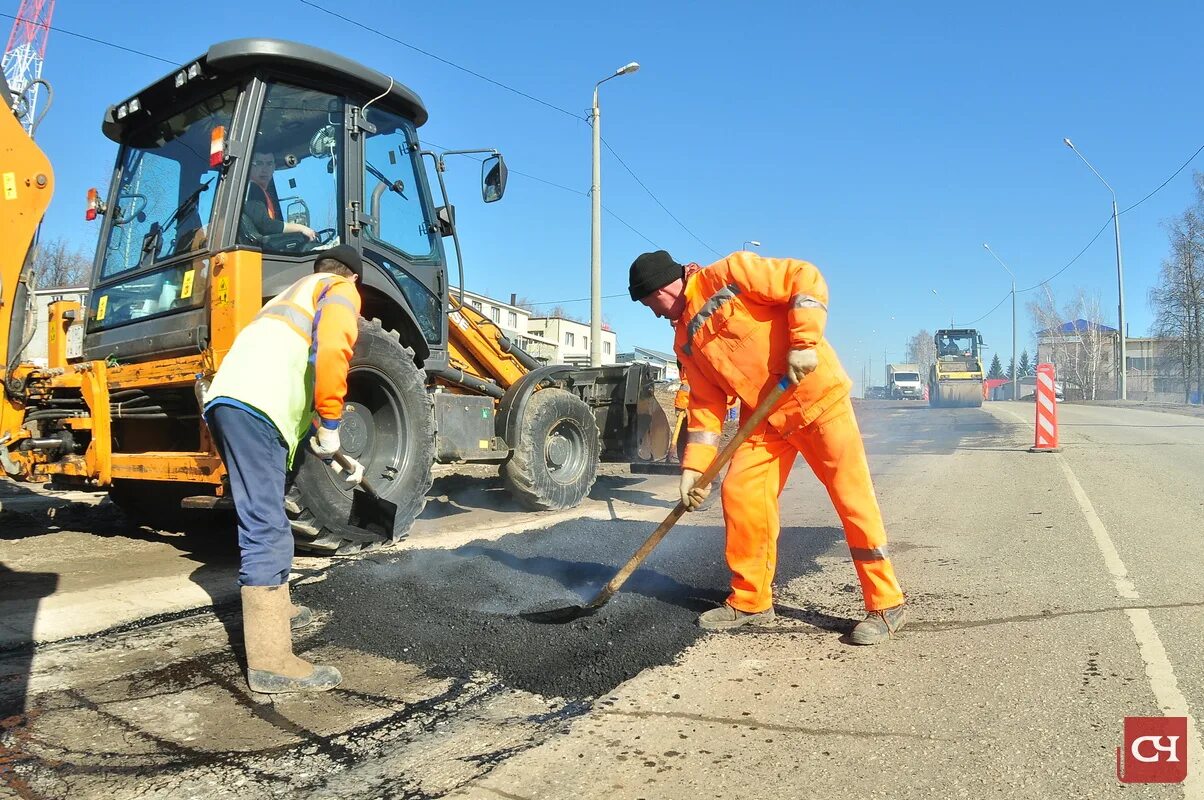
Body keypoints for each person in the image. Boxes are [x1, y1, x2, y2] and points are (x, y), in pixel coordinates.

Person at [628, 249, 907, 644]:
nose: (654, 313)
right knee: (741, 492)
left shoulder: (730, 273)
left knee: (851, 498)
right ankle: (751, 600)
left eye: (650, 303)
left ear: (662, 288)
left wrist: (804, 342)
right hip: (765, 419)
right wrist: (694, 468)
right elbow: (706, 406)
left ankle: (886, 603)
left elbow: (804, 277)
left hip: (816, 399)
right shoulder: (684, 341)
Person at [202, 244, 363, 692]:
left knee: (266, 510)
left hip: (231, 403)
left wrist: (333, 446)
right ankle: (271, 660)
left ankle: (277, 609)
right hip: (256, 408)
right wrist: (332, 421)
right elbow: (333, 352)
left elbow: (296, 370)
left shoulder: (289, 296)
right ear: (353, 276)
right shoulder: (340, 290)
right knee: (268, 524)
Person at [241, 150, 317, 246]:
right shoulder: (252, 189)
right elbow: (264, 225)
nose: (264, 169)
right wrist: (301, 228)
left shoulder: (260, 191)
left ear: (274, 167)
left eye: (269, 164)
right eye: (259, 163)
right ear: (250, 166)